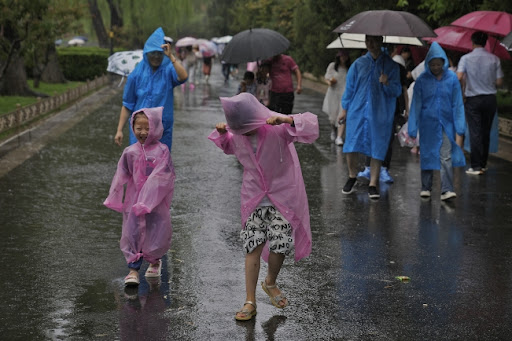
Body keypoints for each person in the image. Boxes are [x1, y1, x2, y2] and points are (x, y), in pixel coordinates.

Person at [208, 93, 318, 321]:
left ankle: (270, 282)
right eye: (238, 129)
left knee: (280, 244)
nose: (243, 134)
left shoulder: (276, 127)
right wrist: (222, 133)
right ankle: (250, 301)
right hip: (254, 196)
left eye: (246, 128)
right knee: (252, 246)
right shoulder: (236, 134)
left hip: (281, 197)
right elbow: (229, 147)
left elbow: (310, 127)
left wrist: (287, 120)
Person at [105, 107, 176, 286]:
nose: (143, 132)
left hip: (156, 202)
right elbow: (121, 174)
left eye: (148, 128)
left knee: (156, 229)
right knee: (132, 231)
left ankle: (154, 260)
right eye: (139, 128)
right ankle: (133, 269)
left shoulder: (162, 151)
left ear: (156, 128)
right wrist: (115, 195)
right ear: (132, 127)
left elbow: (165, 175)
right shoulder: (130, 152)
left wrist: (150, 196)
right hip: (134, 200)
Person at [337, 35, 401, 199]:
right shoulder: (358, 64)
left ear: (381, 41)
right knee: (351, 144)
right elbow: (349, 89)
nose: (370, 44)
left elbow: (397, 91)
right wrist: (344, 109)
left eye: (373, 40)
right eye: (367, 41)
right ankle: (352, 176)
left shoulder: (391, 66)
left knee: (377, 146)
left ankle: (373, 183)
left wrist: (387, 83)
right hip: (357, 111)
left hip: (380, 112)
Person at [114, 27, 187, 152]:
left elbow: (183, 77)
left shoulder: (168, 71)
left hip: (162, 129)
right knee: (139, 164)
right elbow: (127, 104)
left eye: (159, 53)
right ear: (146, 53)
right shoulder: (135, 75)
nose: (156, 57)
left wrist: (172, 57)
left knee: (159, 165)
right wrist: (119, 130)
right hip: (139, 130)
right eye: (152, 53)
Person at [408, 42, 466, 201]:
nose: (435, 67)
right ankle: (426, 187)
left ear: (444, 62)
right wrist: (412, 127)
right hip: (427, 125)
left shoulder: (452, 79)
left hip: (446, 125)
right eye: (432, 64)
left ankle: (447, 189)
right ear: (427, 64)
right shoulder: (422, 80)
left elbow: (457, 103)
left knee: (445, 156)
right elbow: (416, 105)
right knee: (427, 154)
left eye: (438, 64)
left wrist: (460, 124)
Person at [358, 44, 409, 184]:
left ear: (393, 51)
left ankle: (384, 168)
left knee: (387, 139)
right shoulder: (371, 66)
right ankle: (368, 167)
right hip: (374, 109)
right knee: (371, 137)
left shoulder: (398, 68)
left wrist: (407, 108)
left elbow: (403, 90)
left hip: (393, 110)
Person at [457, 31, 504, 175]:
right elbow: (499, 82)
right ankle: (483, 164)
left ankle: (476, 166)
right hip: (490, 98)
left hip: (473, 99)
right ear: (485, 43)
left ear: (472, 42)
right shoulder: (494, 59)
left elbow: (459, 76)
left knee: (475, 131)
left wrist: (463, 90)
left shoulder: (465, 58)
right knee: (485, 131)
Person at [322, 50, 350, 146]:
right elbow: (326, 77)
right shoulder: (333, 66)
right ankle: (333, 130)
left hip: (344, 94)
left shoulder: (349, 68)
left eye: (345, 56)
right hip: (333, 93)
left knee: (342, 115)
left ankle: (339, 137)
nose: (344, 58)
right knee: (333, 117)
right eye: (342, 56)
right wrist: (330, 82)